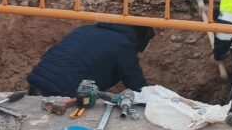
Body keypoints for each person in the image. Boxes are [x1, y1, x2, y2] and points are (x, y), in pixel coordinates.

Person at [27, 24, 155, 97]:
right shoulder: (123, 44)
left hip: (37, 81)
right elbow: (137, 85)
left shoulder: (86, 29)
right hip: (61, 92)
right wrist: (153, 98)